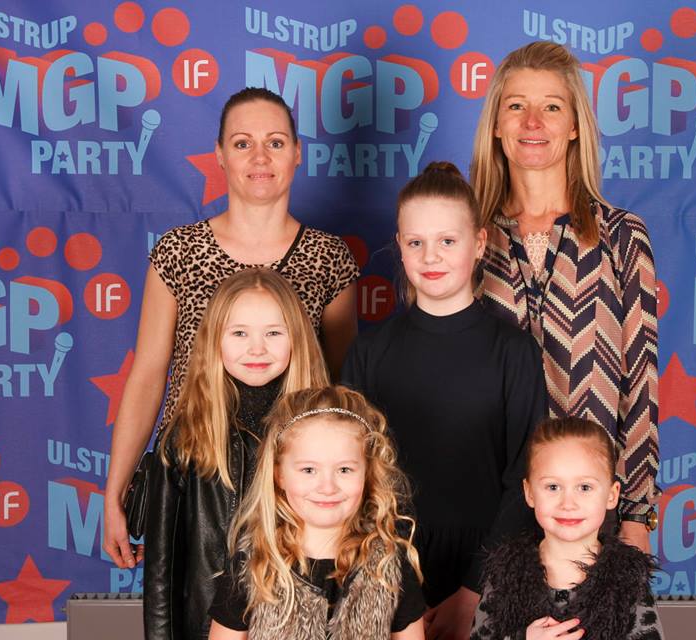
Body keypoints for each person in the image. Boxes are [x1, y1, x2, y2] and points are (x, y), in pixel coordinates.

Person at [104, 87, 360, 570]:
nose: (260, 157)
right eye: (243, 143)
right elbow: (148, 374)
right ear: (220, 155)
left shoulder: (329, 258)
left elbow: (342, 388)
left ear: (297, 152)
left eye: (275, 142)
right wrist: (115, 491)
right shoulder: (178, 251)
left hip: (295, 486)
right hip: (196, 476)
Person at [343, 162, 547, 639]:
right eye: (416, 242)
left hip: (489, 567)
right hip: (387, 569)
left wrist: (476, 591)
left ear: (479, 243)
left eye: (448, 241)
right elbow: (351, 473)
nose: (430, 256)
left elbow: (525, 476)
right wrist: (391, 589)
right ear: (399, 245)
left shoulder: (514, 351)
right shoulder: (369, 352)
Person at [471, 41, 660, 552]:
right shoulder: (466, 237)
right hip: (488, 502)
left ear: (575, 125)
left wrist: (636, 514)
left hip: (587, 506)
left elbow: (640, 383)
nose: (533, 122)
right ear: (496, 125)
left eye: (551, 107)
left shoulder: (621, 235)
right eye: (516, 105)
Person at [144, 268, 329, 640]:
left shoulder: (327, 432)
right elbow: (161, 572)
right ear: (215, 340)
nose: (256, 348)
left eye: (273, 333)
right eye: (239, 333)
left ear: (297, 338)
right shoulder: (184, 437)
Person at [207, 385, 425, 639]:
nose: (327, 487)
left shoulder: (390, 564)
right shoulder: (252, 564)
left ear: (367, 473)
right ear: (279, 475)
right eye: (309, 470)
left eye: (344, 470)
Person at [470, 417, 664, 640]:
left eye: (584, 487)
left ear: (612, 495)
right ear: (529, 492)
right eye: (553, 487)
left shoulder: (627, 580)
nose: (568, 504)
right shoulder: (505, 575)